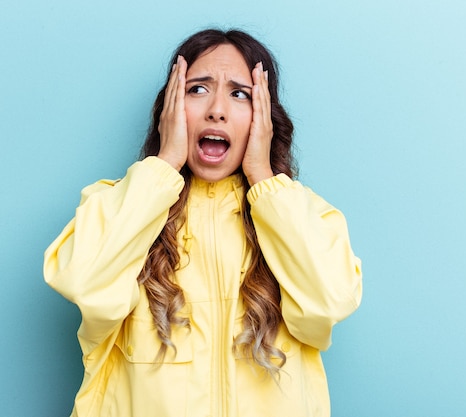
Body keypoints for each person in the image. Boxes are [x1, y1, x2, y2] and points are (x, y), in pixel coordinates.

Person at [44, 28, 362, 417]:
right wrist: (165, 164)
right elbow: (83, 282)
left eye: (240, 94)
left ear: (264, 117)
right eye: (197, 89)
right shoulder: (118, 205)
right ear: (170, 109)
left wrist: (263, 176)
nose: (216, 109)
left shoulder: (306, 217)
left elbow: (328, 304)